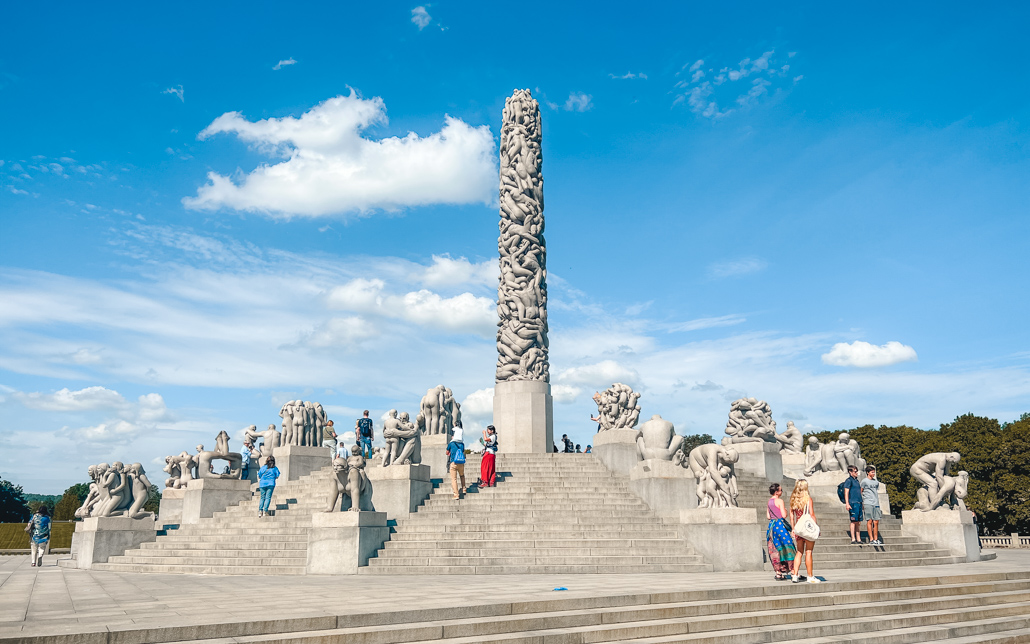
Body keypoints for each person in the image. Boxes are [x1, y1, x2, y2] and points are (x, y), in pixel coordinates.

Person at [789, 479, 820, 583]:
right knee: (809, 552)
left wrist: (793, 528)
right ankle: (810, 576)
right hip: (807, 528)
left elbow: (791, 516)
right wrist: (815, 527)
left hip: (799, 528)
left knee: (799, 552)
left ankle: (795, 574)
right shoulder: (808, 499)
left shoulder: (793, 499)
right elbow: (812, 514)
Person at [766, 483, 796, 580]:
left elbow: (768, 516)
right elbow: (783, 515)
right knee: (788, 547)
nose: (782, 492)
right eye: (781, 490)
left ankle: (778, 572)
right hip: (780, 526)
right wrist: (786, 511)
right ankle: (793, 571)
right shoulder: (779, 501)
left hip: (772, 527)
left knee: (775, 549)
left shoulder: (769, 501)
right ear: (777, 492)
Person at [861, 466, 882, 544]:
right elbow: (861, 491)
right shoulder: (864, 481)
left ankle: (876, 539)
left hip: (875, 503)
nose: (873, 474)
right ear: (868, 472)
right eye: (872, 472)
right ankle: (871, 539)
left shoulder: (876, 482)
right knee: (869, 520)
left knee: (876, 521)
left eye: (874, 472)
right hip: (868, 502)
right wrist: (862, 502)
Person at [842, 465, 863, 544]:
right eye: (855, 471)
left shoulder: (857, 481)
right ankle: (853, 538)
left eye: (857, 471)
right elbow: (846, 492)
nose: (856, 473)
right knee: (853, 521)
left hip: (859, 502)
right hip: (853, 503)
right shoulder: (848, 481)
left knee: (858, 521)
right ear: (850, 472)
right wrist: (847, 503)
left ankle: (858, 538)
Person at [446, 427, 467, 500]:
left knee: (454, 479)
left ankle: (456, 494)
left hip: (453, 462)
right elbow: (462, 451)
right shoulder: (462, 444)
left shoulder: (451, 443)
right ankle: (464, 488)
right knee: (462, 475)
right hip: (461, 462)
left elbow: (447, 452)